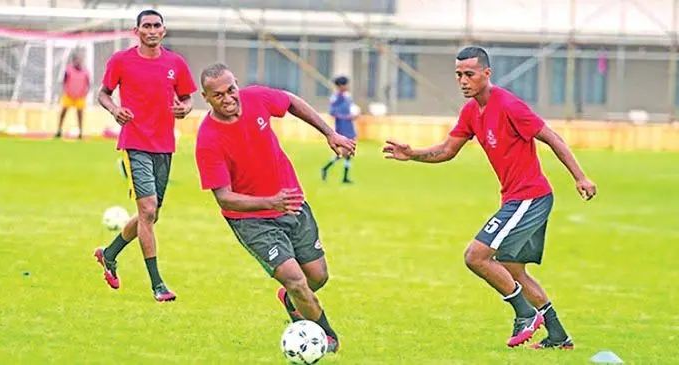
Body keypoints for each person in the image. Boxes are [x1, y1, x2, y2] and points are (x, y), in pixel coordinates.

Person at [382, 46, 597, 349]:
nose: (463, 81)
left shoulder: (510, 105)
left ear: (487, 73)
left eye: (469, 74)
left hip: (530, 198)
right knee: (512, 269)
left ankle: (525, 314)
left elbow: (552, 137)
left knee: (476, 256)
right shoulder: (471, 111)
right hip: (516, 199)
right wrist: (412, 153)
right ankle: (559, 336)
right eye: (458, 75)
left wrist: (580, 176)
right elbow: (447, 151)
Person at [194, 62, 355, 352]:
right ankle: (326, 338)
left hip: (292, 203)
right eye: (218, 95)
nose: (228, 98)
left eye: (231, 90)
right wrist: (270, 202)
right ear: (205, 98)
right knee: (296, 280)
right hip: (251, 220)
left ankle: (292, 302)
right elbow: (224, 197)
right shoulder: (208, 139)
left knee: (317, 277)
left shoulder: (256, 98)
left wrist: (330, 134)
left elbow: (291, 102)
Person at [93, 9, 197, 302]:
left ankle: (109, 254)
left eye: (156, 26)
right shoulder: (121, 61)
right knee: (148, 211)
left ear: (164, 31)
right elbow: (103, 93)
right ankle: (157, 285)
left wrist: (185, 108)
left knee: (149, 215)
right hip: (134, 143)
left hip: (164, 146)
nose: (151, 30)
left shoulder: (176, 64)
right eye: (146, 26)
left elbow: (188, 97)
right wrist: (115, 110)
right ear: (136, 31)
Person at [320, 76, 358, 184]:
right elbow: (332, 112)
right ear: (341, 86)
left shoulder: (347, 97)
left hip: (349, 126)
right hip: (342, 127)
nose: (347, 86)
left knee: (349, 152)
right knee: (344, 151)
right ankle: (326, 168)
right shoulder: (336, 98)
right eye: (346, 84)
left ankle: (345, 177)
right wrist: (346, 117)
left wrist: (353, 116)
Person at [55, 53, 90, 139]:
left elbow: (88, 83)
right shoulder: (68, 69)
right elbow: (64, 81)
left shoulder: (85, 71)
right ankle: (59, 130)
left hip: (80, 96)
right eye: (77, 60)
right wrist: (66, 91)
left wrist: (85, 92)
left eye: (80, 59)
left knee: (80, 114)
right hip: (69, 95)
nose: (78, 61)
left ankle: (80, 132)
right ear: (73, 60)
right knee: (63, 112)